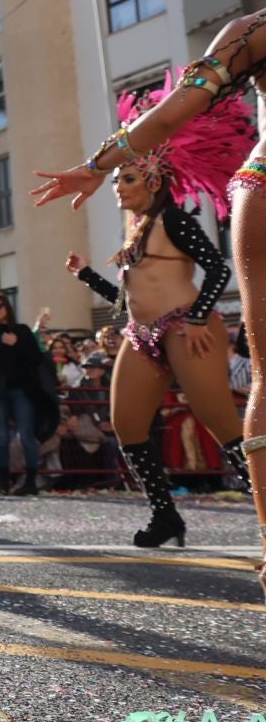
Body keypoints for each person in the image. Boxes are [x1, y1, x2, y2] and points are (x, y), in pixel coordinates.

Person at [30, 0, 266, 584]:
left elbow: (206, 261)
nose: (131, 185)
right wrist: (98, 172)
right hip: (151, 324)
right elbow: (166, 118)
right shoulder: (250, 35)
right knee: (136, 427)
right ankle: (176, 517)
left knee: (237, 410)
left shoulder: (249, 34)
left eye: (133, 178)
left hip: (197, 303)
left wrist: (201, 319)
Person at [61, 79, 253, 545]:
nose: (117, 187)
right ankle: (165, 517)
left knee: (220, 421)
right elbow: (126, 298)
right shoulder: (135, 232)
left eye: (126, 178)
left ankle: (264, 500)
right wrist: (86, 275)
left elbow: (216, 267)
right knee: (127, 423)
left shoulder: (174, 219)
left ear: (152, 180)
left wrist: (196, 317)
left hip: (186, 328)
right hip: (141, 332)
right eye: (115, 180)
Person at [0, 292, 47, 495]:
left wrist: (18, 344)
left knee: (26, 436)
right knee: (0, 437)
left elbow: (36, 359)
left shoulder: (21, 331)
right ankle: (3, 481)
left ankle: (31, 481)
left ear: (7, 307)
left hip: (21, 390)